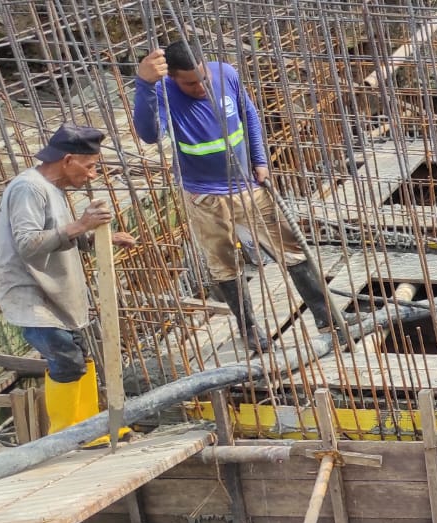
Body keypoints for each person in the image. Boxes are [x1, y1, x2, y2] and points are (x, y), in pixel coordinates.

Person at [132, 40, 341, 352]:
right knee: (224, 264)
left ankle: (329, 320)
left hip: (248, 187)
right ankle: (250, 331)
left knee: (293, 250)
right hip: (204, 196)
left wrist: (259, 161)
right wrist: (145, 84)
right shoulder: (162, 92)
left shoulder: (225, 73)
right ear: (172, 78)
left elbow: (250, 116)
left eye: (204, 78)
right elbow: (148, 134)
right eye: (190, 83)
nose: (201, 86)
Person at [0, 124, 136, 442]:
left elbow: (59, 235)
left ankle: (89, 428)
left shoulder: (52, 189)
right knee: (66, 359)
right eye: (89, 167)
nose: (92, 175)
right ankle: (66, 435)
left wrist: (97, 237)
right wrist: (81, 224)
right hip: (30, 293)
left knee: (78, 357)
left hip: (52, 292)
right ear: (68, 159)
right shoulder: (28, 189)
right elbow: (28, 244)